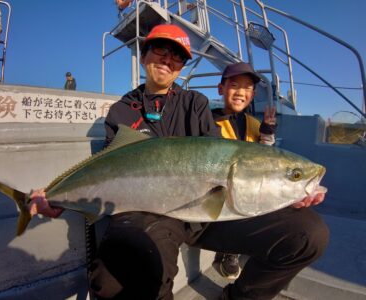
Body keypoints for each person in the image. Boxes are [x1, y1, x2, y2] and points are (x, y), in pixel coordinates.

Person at [29, 24, 329, 300]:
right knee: (115, 278)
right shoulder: (121, 111)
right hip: (150, 213)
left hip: (210, 215)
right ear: (145, 54)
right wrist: (59, 195)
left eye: (177, 56)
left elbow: (219, 160)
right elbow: (108, 171)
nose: (167, 59)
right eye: (160, 49)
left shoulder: (194, 104)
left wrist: (287, 193)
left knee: (308, 235)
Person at [211, 62, 277, 281]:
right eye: (234, 85)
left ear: (253, 94)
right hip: (220, 187)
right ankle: (228, 253)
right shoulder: (208, 120)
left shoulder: (254, 123)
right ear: (221, 89)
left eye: (247, 87)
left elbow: (263, 156)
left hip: (248, 183)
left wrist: (267, 134)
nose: (241, 92)